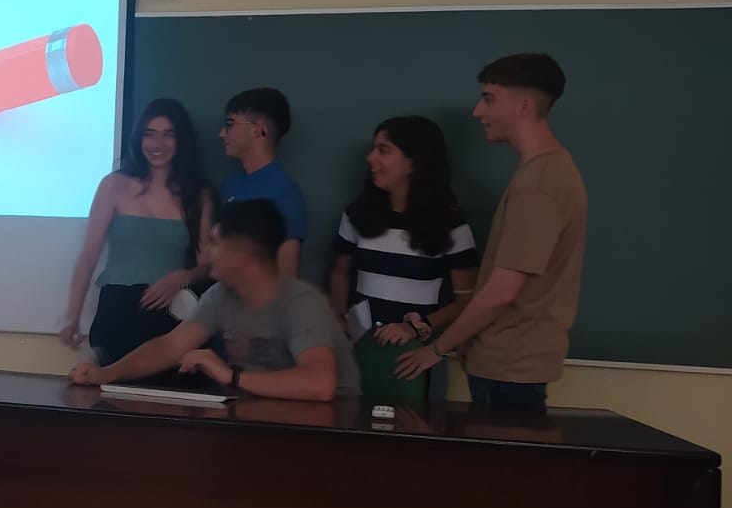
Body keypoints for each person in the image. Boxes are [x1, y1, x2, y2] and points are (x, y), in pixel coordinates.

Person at [396, 54, 586, 408]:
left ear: (524, 107)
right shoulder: (543, 173)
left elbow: (502, 292)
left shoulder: (539, 184)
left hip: (510, 368)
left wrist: (436, 349)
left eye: (489, 99)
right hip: (505, 363)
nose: (477, 112)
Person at [69, 199, 360, 401]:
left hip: (332, 425)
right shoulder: (220, 294)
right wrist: (107, 373)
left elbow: (320, 385)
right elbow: (171, 345)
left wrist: (230, 376)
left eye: (215, 243)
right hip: (262, 412)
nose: (205, 253)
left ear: (244, 256)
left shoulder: (301, 302)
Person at [327, 116, 479, 401]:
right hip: (358, 347)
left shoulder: (450, 224)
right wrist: (338, 320)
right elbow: (340, 271)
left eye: (383, 150)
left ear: (414, 162)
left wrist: (415, 327)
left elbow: (467, 299)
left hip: (414, 355)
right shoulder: (358, 214)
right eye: (373, 148)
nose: (371, 158)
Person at [60, 99, 211, 364]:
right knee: (109, 385)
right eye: (149, 134)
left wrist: (183, 276)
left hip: (171, 312)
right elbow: (88, 255)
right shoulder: (113, 186)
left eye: (168, 134)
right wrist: (72, 316)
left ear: (181, 140)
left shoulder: (198, 195)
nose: (157, 144)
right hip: (117, 312)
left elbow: (207, 265)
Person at [217, 88, 307, 277]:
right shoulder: (229, 186)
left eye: (230, 124)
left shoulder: (285, 193)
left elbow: (286, 277)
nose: (222, 134)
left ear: (257, 129)